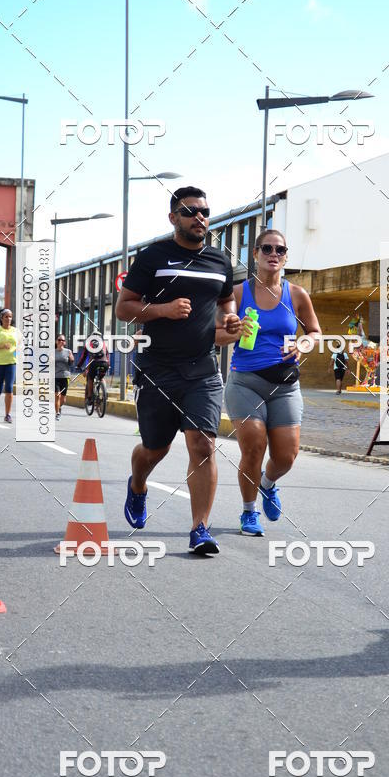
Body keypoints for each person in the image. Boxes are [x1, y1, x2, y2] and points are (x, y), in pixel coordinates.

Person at [116, 186, 239, 555]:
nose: (199, 217)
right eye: (190, 212)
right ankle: (138, 485)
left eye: (204, 211)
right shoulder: (154, 256)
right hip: (157, 368)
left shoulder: (219, 260)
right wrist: (162, 310)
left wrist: (230, 318)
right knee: (155, 448)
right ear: (173, 218)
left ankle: (200, 528)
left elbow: (225, 298)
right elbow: (124, 308)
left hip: (202, 369)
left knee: (203, 445)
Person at [217, 230, 321, 535]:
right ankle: (249, 512)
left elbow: (314, 332)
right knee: (253, 446)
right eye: (266, 248)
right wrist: (233, 332)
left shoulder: (298, 295)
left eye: (280, 249)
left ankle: (268, 483)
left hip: (286, 384)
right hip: (245, 382)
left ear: (286, 256)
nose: (273, 253)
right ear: (255, 254)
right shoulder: (236, 294)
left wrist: (303, 345)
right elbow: (213, 335)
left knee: (286, 457)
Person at [0, 307, 19, 423]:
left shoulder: (15, 331)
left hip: (11, 362)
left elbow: (21, 344)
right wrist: (1, 346)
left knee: (9, 388)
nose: (8, 318)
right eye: (6, 316)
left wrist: (19, 349)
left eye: (10, 316)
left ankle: (8, 414)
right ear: (1, 318)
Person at [76, 333, 109, 406]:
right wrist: (108, 364)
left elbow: (83, 357)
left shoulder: (89, 343)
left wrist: (78, 366)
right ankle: (105, 391)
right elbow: (107, 355)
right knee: (102, 378)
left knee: (90, 378)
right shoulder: (103, 343)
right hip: (105, 363)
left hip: (94, 363)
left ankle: (90, 397)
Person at [55, 334, 74, 420]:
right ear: (56, 341)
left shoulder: (68, 351)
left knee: (63, 399)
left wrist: (71, 359)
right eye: (59, 340)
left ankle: (59, 407)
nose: (61, 342)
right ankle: (57, 413)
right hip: (55, 377)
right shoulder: (52, 352)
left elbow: (71, 363)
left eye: (62, 340)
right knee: (57, 395)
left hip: (65, 376)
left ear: (65, 342)